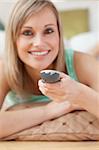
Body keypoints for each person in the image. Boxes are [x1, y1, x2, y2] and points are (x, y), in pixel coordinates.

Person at [0, 0, 99, 139]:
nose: (39, 43)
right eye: (27, 32)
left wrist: (79, 93)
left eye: (49, 31)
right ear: (13, 38)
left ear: (59, 34)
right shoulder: (5, 68)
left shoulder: (83, 63)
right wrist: (48, 111)